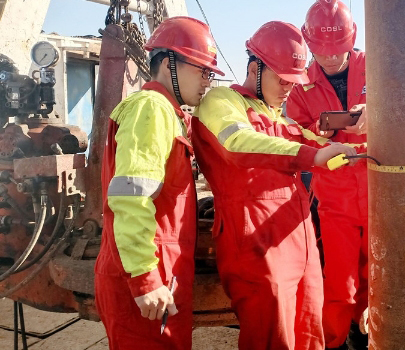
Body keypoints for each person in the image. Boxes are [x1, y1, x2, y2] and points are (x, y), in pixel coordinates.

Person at [190, 21, 363, 350]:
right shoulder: (222, 102)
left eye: (292, 81)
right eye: (281, 79)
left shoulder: (278, 117)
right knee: (273, 337)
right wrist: (313, 154)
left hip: (298, 239)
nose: (288, 88)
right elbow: (238, 143)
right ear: (255, 68)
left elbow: (315, 142)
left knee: (309, 333)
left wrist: (355, 149)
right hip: (255, 243)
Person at [94, 17, 223, 350]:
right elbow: (131, 197)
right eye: (202, 71)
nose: (207, 81)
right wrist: (145, 280)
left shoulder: (170, 113)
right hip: (147, 272)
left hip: (163, 267)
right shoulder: (151, 109)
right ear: (168, 64)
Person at [286, 0, 369, 350]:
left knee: (384, 277)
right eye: (323, 51)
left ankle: (373, 337)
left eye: (339, 50)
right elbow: (293, 132)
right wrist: (322, 134)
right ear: (309, 45)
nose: (332, 58)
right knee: (339, 284)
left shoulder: (379, 65)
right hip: (336, 202)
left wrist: (379, 109)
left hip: (383, 193)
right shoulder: (299, 84)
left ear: (352, 40)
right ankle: (332, 343)